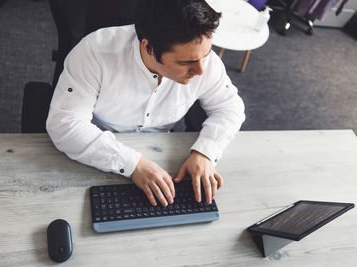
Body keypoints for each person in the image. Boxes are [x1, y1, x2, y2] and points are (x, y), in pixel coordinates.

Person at [46, 0, 245, 207]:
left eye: (205, 55)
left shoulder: (205, 62)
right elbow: (65, 124)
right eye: (185, 63)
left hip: (163, 157)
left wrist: (205, 152)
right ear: (148, 47)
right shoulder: (94, 53)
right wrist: (134, 165)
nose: (201, 71)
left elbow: (231, 108)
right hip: (97, 153)